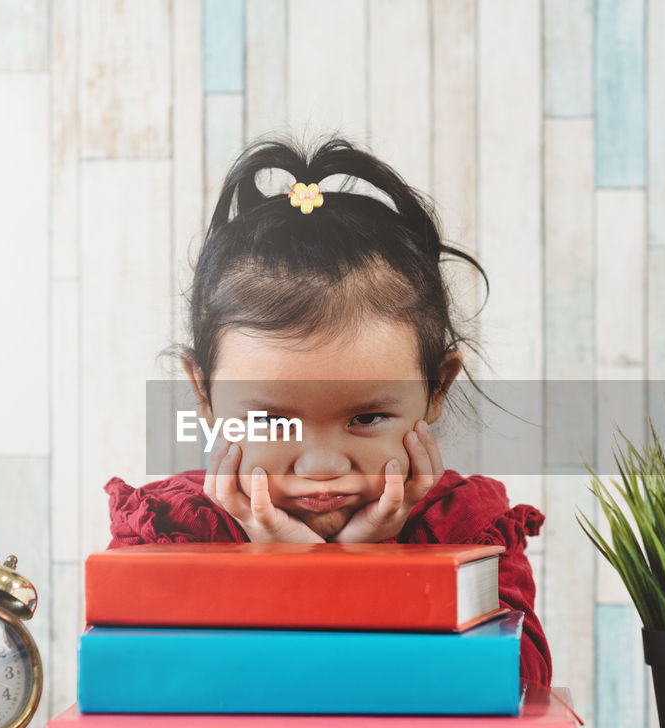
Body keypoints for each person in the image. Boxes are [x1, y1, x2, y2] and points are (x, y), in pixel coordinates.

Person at [105, 134, 552, 686]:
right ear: (204, 396)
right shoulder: (166, 533)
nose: (319, 467)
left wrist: (368, 563)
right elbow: (139, 681)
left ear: (438, 388)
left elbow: (517, 681)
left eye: (365, 419)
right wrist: (282, 567)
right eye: (272, 421)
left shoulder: (468, 534)